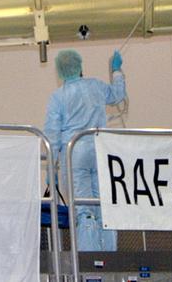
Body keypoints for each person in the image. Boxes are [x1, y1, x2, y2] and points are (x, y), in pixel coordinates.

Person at [44, 49, 126, 252]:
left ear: (60, 72)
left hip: (74, 153)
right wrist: (116, 71)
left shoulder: (58, 97)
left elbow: (52, 136)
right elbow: (118, 95)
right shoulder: (96, 86)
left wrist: (51, 170)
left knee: (84, 210)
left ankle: (89, 262)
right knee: (103, 206)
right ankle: (110, 258)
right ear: (80, 67)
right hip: (99, 150)